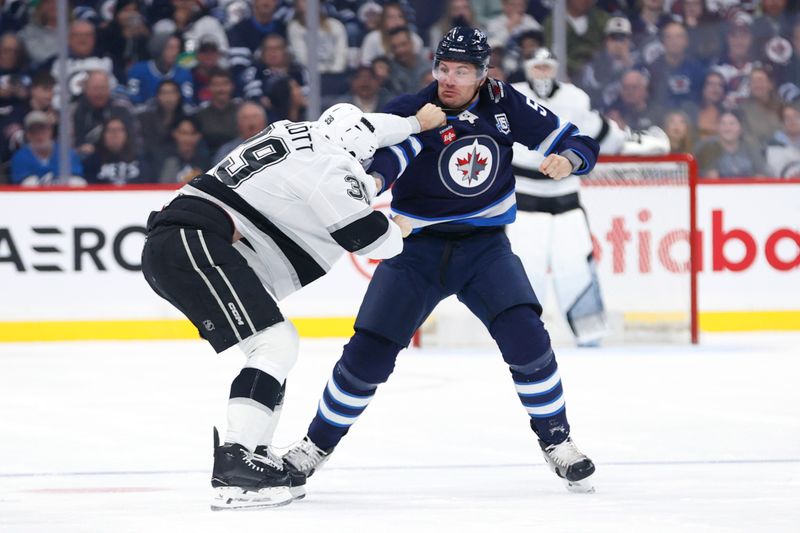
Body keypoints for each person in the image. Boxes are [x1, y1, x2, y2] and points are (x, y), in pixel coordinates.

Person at [283, 27, 600, 494]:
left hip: (485, 249)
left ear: (482, 74)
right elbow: (385, 164)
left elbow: (578, 141)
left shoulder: (504, 102)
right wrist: (372, 185)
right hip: (415, 252)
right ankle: (313, 447)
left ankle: (558, 442)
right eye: (444, 69)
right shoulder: (411, 111)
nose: (449, 80)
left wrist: (570, 160)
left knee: (528, 340)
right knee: (366, 357)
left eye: (462, 71)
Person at [141, 101, 446, 510]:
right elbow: (368, 237)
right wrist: (397, 230)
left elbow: (373, 127)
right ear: (355, 150)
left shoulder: (295, 130)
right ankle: (235, 461)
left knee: (270, 352)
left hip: (181, 241)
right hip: (193, 240)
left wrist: (414, 122)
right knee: (277, 343)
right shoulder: (331, 165)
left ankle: (255, 455)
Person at [508, 48, 668, 347]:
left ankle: (589, 332)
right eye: (537, 67)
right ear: (528, 68)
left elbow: (596, 132)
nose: (542, 73)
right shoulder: (510, 97)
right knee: (524, 270)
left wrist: (631, 142)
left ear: (555, 68)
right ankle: (522, 334)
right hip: (523, 202)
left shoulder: (574, 98)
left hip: (566, 199)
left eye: (547, 67)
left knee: (576, 267)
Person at [10, 111, 83, 186]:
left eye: (42, 129)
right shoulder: (20, 157)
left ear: (50, 131)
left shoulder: (66, 153)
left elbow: (77, 181)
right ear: (28, 135)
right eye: (34, 131)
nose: (39, 135)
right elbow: (24, 185)